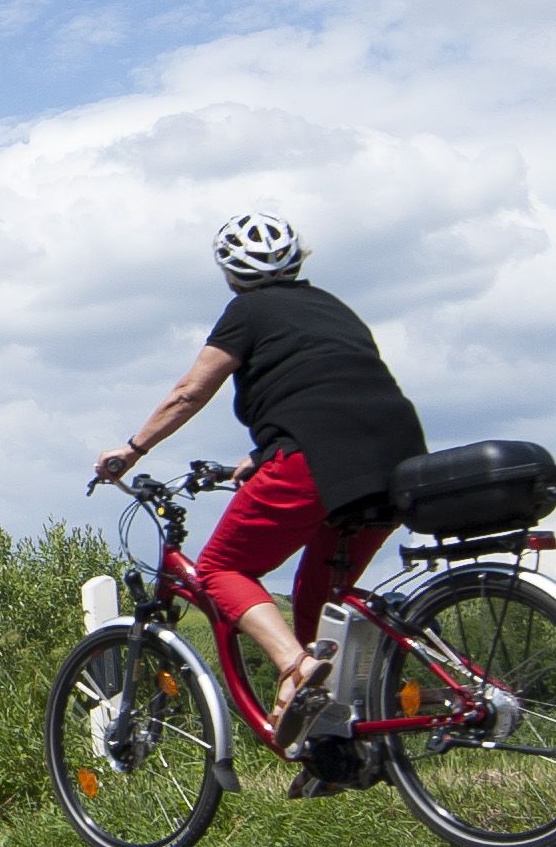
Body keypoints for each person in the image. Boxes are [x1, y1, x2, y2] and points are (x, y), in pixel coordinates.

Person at [89, 211, 426, 768]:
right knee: (320, 601)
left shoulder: (246, 311)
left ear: (230, 273)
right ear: (298, 259)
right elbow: (330, 389)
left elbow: (189, 392)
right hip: (394, 460)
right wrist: (264, 454)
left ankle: (296, 666)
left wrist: (132, 449)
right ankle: (335, 749)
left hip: (315, 461)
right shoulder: (333, 307)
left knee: (221, 568)